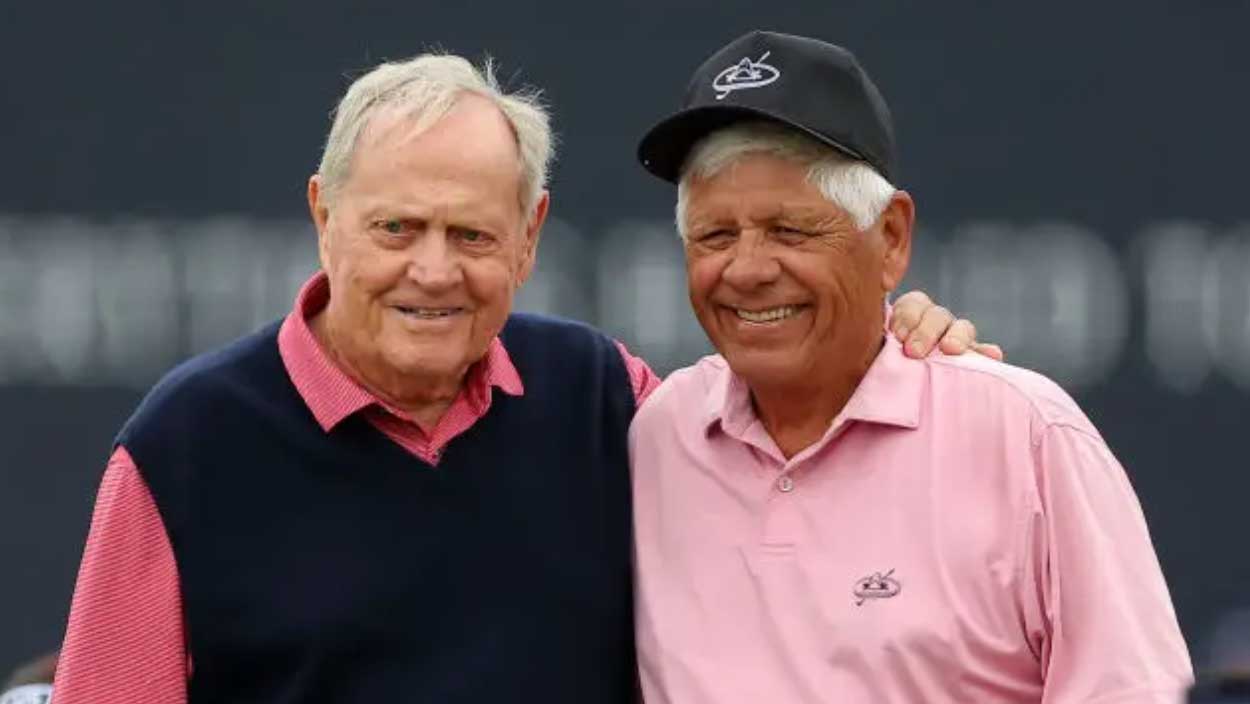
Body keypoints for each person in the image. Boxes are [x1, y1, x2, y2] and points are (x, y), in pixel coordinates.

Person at [51, 52, 988, 702]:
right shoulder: (185, 448)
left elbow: (791, 466)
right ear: (322, 215)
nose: (432, 270)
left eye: (471, 235)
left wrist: (895, 342)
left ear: (530, 235)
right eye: (395, 229)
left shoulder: (605, 399)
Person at [630, 30, 1193, 703]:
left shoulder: (1024, 437)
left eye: (791, 231)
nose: (747, 270)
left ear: (890, 239)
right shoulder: (656, 436)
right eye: (716, 236)